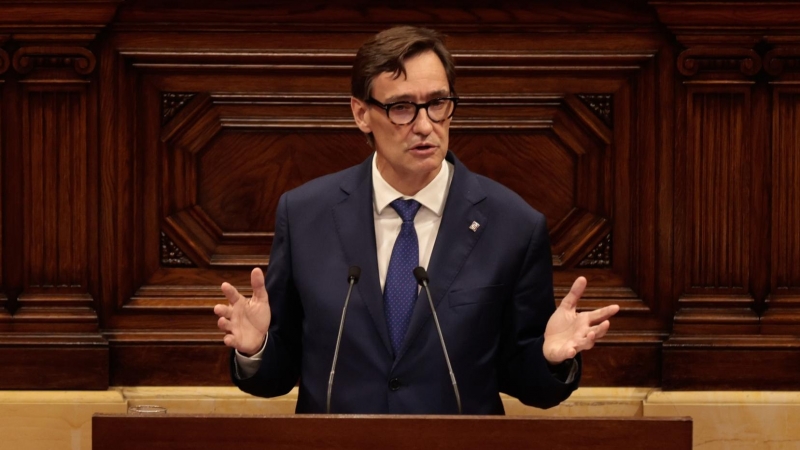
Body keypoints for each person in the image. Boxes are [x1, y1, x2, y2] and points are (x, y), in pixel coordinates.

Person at [214, 25, 619, 414]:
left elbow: (524, 379)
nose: (425, 126)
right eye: (402, 108)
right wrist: (257, 348)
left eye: (438, 103)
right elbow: (278, 375)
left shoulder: (512, 224)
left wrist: (550, 361)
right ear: (361, 114)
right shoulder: (305, 215)